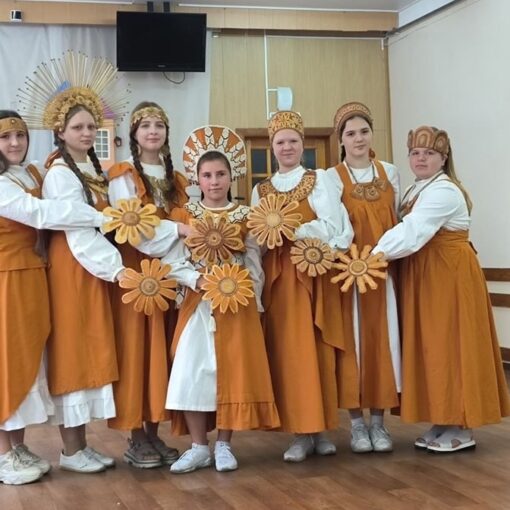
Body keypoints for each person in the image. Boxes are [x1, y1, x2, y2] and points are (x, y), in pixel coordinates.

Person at [372, 125, 510, 452]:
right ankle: (443, 418)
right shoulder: (416, 189)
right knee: (432, 346)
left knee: (451, 343)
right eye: (415, 153)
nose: (421, 159)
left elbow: (413, 231)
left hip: (448, 276)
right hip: (426, 275)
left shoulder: (444, 191)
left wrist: (372, 256)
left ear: (444, 158)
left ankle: (462, 425)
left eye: (430, 153)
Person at [0, 110, 113, 484]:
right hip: (6, 277)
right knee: (7, 360)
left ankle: (18, 447)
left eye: (20, 135)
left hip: (33, 275)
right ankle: (4, 453)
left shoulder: (32, 174)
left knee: (29, 361)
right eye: (5, 137)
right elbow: (38, 213)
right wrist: (100, 217)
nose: (14, 142)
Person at [159, 125, 279, 473]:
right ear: (197, 179)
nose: (214, 181)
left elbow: (253, 261)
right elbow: (172, 259)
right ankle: (199, 446)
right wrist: (196, 279)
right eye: (207, 175)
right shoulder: (185, 216)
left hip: (236, 305)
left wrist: (255, 301)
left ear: (231, 177)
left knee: (233, 371)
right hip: (197, 303)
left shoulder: (246, 216)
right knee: (191, 370)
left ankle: (225, 444)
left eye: (221, 174)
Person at [251, 110, 353, 462]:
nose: (287, 147)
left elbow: (335, 226)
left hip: (311, 272)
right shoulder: (261, 189)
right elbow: (255, 240)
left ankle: (321, 428)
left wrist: (294, 230)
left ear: (302, 144)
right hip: (279, 280)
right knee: (289, 352)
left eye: (293, 141)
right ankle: (299, 432)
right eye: (281, 142)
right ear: (272, 146)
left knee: (317, 350)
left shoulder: (318, 179)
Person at [107, 102, 188, 468]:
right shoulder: (122, 175)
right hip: (137, 275)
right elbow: (135, 230)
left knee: (163, 350)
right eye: (145, 126)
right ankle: (135, 435)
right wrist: (177, 230)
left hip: (171, 273)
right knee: (137, 350)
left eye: (159, 125)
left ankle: (153, 431)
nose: (153, 131)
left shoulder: (178, 180)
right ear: (134, 134)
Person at [326, 102, 401, 453]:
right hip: (348, 275)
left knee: (383, 341)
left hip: (384, 273)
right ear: (341, 139)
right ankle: (357, 425)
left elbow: (400, 222)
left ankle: (379, 423)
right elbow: (332, 226)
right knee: (353, 343)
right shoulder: (331, 178)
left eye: (364, 132)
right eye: (351, 133)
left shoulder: (390, 173)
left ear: (372, 134)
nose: (358, 139)